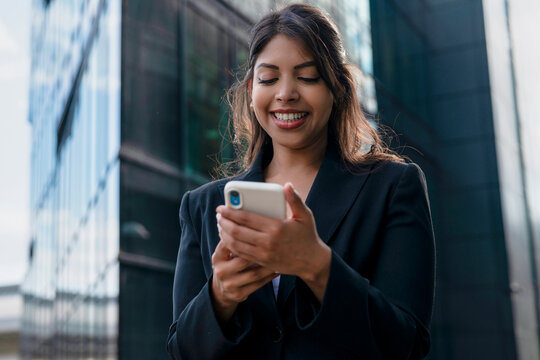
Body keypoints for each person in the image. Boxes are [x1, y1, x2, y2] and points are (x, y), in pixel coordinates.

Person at [166, 3, 435, 359]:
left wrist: (316, 265)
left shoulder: (393, 187)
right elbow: (181, 352)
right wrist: (221, 296)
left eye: (307, 76)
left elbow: (406, 345)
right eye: (268, 78)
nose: (286, 93)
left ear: (338, 88)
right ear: (251, 90)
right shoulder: (202, 206)